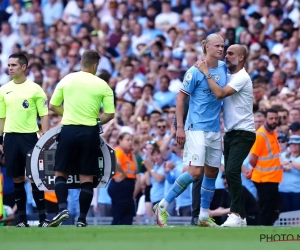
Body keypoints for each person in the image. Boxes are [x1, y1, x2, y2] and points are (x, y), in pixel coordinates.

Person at [153, 33, 227, 227]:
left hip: (214, 128)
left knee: (212, 172)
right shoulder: (194, 71)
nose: (221, 49)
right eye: (217, 46)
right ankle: (162, 205)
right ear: (207, 47)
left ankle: (203, 215)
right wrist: (179, 126)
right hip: (196, 127)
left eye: (222, 46)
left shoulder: (223, 68)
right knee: (195, 172)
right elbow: (180, 98)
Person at [48, 50, 115, 227]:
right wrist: (96, 121)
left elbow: (53, 105)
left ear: (81, 62)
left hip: (69, 129)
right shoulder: (102, 85)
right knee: (87, 177)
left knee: (60, 173)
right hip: (89, 132)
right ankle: (82, 219)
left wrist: (68, 113)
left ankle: (62, 208)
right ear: (95, 65)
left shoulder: (67, 79)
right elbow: (110, 114)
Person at [195, 44, 256, 227]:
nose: (226, 56)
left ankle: (236, 214)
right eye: (226, 53)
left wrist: (206, 72)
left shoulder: (242, 77)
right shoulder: (229, 75)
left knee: (231, 171)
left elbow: (220, 93)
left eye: (230, 54)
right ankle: (241, 217)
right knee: (230, 173)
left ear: (241, 58)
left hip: (243, 132)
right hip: (230, 132)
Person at [0, 53, 50, 227]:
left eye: (13, 65)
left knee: (35, 177)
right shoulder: (4, 89)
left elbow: (44, 114)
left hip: (30, 137)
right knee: (17, 179)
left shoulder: (35, 89)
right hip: (11, 138)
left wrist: (44, 135)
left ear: (23, 67)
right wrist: (0, 140)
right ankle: (21, 220)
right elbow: (2, 117)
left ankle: (43, 218)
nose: (10, 68)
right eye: (9, 65)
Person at [247, 109, 282, 226]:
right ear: (266, 119)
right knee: (266, 210)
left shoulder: (272, 134)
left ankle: (265, 229)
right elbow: (252, 159)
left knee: (273, 209)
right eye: (271, 118)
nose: (274, 121)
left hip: (272, 178)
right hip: (264, 179)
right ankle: (261, 232)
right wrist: (257, 169)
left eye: (276, 118)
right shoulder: (261, 135)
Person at [108, 132, 137, 225]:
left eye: (131, 140)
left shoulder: (128, 154)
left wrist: (132, 153)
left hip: (128, 185)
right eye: (128, 140)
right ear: (120, 140)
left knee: (128, 213)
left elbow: (135, 169)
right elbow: (115, 162)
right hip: (120, 185)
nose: (130, 142)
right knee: (119, 214)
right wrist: (123, 173)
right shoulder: (118, 151)